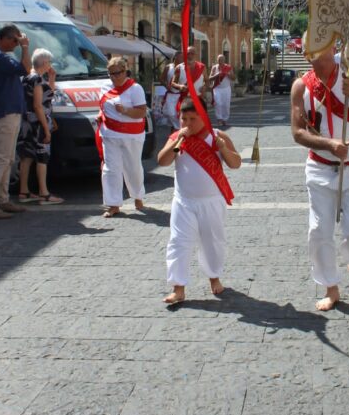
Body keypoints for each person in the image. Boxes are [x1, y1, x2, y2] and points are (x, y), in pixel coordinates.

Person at [291, 43, 349, 311]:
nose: (311, 52)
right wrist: (329, 145)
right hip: (319, 168)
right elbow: (298, 132)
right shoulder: (301, 86)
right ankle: (331, 287)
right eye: (308, 47)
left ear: (331, 47)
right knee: (319, 231)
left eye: (318, 45)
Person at [157, 97, 241, 305]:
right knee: (178, 242)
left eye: (192, 119)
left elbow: (235, 163)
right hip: (183, 202)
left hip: (211, 201)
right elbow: (163, 160)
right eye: (183, 118)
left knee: (213, 242)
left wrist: (223, 148)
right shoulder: (178, 138)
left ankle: (214, 278)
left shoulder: (217, 136)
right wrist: (178, 142)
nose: (187, 123)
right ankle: (178, 288)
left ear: (204, 117)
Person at [0, 25, 31, 220]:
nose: (16, 45)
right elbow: (26, 68)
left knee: (7, 159)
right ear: (4, 39)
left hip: (8, 113)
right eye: (15, 41)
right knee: (1, 160)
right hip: (5, 114)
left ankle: (2, 199)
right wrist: (26, 48)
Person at [96, 56, 147, 218]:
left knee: (133, 168)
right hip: (110, 135)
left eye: (117, 73)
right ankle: (113, 204)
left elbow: (142, 112)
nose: (114, 77)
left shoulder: (135, 89)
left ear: (125, 71)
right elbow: (103, 106)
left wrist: (125, 110)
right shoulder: (104, 87)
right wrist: (100, 115)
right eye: (111, 74)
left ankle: (138, 196)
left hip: (132, 136)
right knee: (110, 169)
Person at [16, 48, 63, 204]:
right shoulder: (37, 79)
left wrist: (52, 79)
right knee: (42, 157)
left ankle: (24, 192)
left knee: (26, 156)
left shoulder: (28, 77)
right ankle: (44, 194)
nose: (50, 64)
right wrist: (45, 128)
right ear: (44, 62)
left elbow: (46, 97)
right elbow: (38, 105)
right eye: (49, 61)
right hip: (37, 123)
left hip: (26, 123)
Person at [209, 54, 234, 127]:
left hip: (226, 89)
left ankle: (225, 119)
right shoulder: (214, 68)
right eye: (219, 60)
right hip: (217, 88)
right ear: (217, 60)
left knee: (226, 105)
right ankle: (219, 119)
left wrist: (228, 74)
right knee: (218, 103)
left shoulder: (228, 67)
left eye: (222, 60)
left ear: (224, 60)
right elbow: (210, 78)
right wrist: (217, 75)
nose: (220, 61)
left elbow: (233, 78)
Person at [163, 51, 182, 130]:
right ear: (175, 57)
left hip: (180, 94)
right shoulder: (168, 67)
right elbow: (161, 79)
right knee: (171, 113)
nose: (182, 59)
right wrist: (166, 85)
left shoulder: (183, 67)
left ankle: (177, 130)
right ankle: (177, 128)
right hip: (171, 94)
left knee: (179, 114)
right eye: (180, 57)